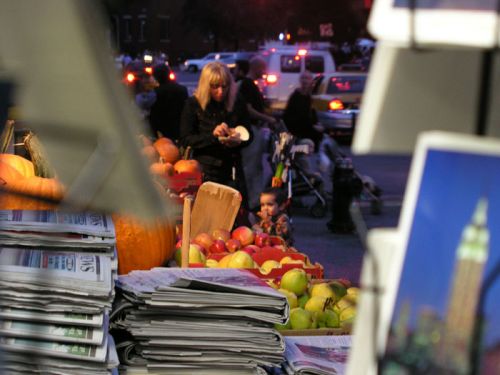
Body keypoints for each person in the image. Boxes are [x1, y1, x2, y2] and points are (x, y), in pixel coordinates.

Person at [179, 61, 250, 190]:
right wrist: (213, 136)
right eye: (215, 86)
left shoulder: (237, 101)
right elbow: (186, 139)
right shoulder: (193, 104)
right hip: (205, 169)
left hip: (232, 168)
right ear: (206, 85)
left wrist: (238, 140)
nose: (220, 91)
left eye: (225, 86)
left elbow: (250, 134)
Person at [238, 56, 277, 211]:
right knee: (252, 167)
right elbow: (248, 109)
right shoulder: (247, 85)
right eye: (263, 68)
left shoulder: (248, 84)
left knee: (255, 166)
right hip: (251, 130)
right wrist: (268, 118)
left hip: (253, 129)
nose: (264, 72)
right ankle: (251, 202)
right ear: (256, 68)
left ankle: (253, 199)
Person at [148, 64, 188, 141]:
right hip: (180, 126)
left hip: (164, 129)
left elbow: (154, 115)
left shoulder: (156, 92)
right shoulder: (182, 89)